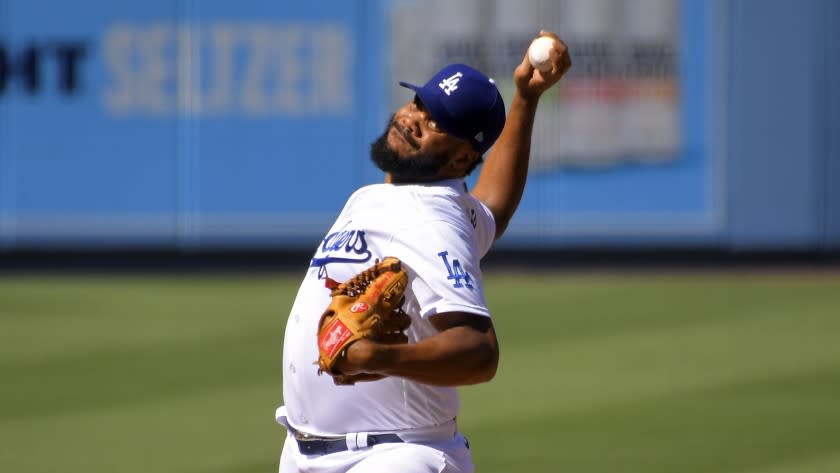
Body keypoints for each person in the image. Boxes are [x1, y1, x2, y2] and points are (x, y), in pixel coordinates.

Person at [276, 30, 571, 473]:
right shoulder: (414, 201)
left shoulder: (433, 218)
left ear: (459, 160)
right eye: (419, 104)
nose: (412, 118)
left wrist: (379, 357)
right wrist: (525, 100)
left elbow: (478, 350)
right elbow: (493, 210)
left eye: (435, 123)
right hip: (312, 453)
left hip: (391, 456)